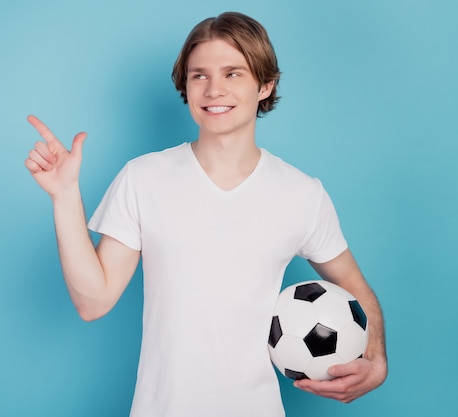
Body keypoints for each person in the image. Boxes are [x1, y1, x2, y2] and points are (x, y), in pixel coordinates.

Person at [24, 11, 387, 417]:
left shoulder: (302, 194)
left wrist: (376, 361)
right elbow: (93, 302)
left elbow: (356, 288)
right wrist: (64, 195)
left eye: (233, 73)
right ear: (186, 86)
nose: (214, 89)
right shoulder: (145, 178)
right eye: (200, 75)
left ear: (265, 85)